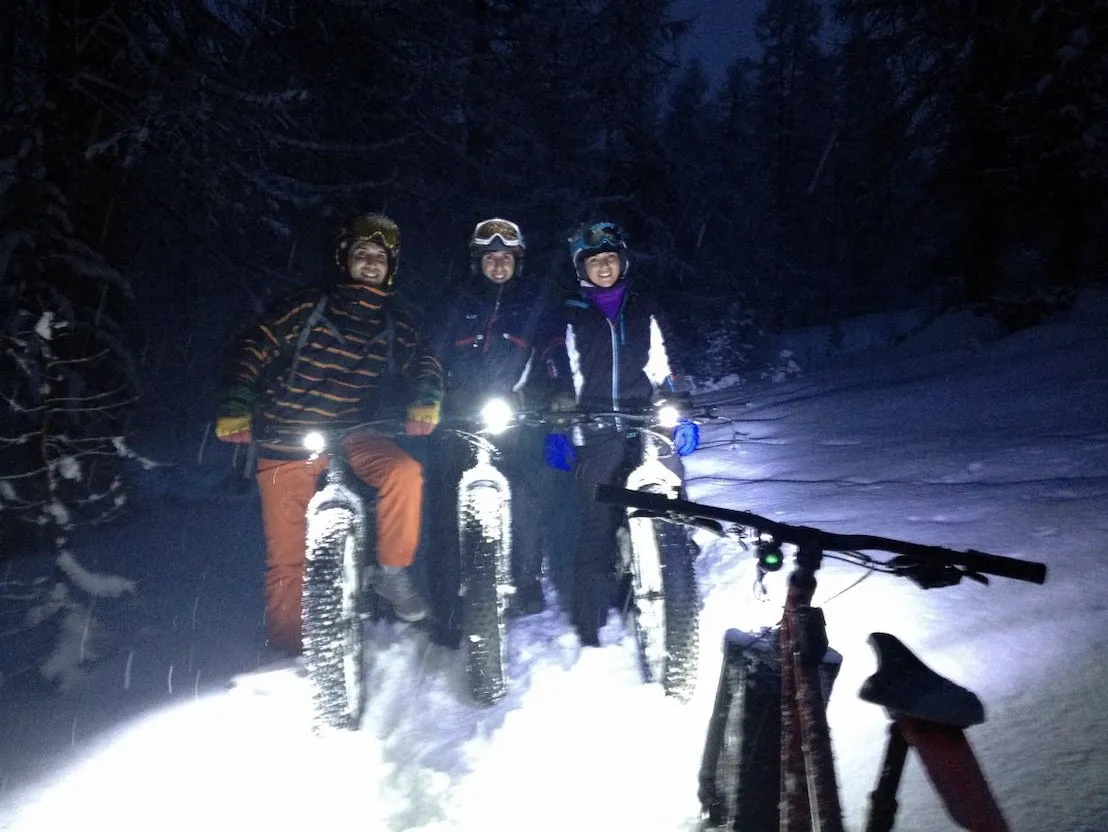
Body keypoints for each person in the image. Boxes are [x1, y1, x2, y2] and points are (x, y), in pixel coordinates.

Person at [214, 213, 443, 655]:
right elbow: (253, 347)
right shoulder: (307, 307)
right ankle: (287, 647)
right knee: (288, 556)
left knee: (405, 473)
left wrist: (426, 396)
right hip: (286, 435)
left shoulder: (392, 320)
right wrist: (236, 402)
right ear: (344, 259)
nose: (371, 263)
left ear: (391, 267)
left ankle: (391, 571)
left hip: (354, 432)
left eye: (380, 257)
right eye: (362, 253)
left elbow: (424, 360)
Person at [543, 219, 700, 647]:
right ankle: (589, 617)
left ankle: (679, 583)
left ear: (623, 261)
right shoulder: (570, 313)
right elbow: (559, 371)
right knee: (597, 518)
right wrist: (561, 421)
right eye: (594, 261)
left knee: (671, 492)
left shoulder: (643, 305)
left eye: (611, 258)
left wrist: (681, 410)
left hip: (645, 419)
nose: (604, 267)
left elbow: (665, 364)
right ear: (581, 268)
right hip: (596, 425)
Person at [424, 218, 554, 647]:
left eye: (506, 258)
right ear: (477, 262)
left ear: (517, 262)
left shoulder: (531, 305)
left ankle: (527, 580)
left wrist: (551, 394)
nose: (498, 265)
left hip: (513, 414)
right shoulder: (454, 301)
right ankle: (447, 609)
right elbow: (430, 353)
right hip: (457, 416)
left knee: (526, 493)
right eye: (490, 257)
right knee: (446, 508)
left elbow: (552, 354)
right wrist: (427, 394)